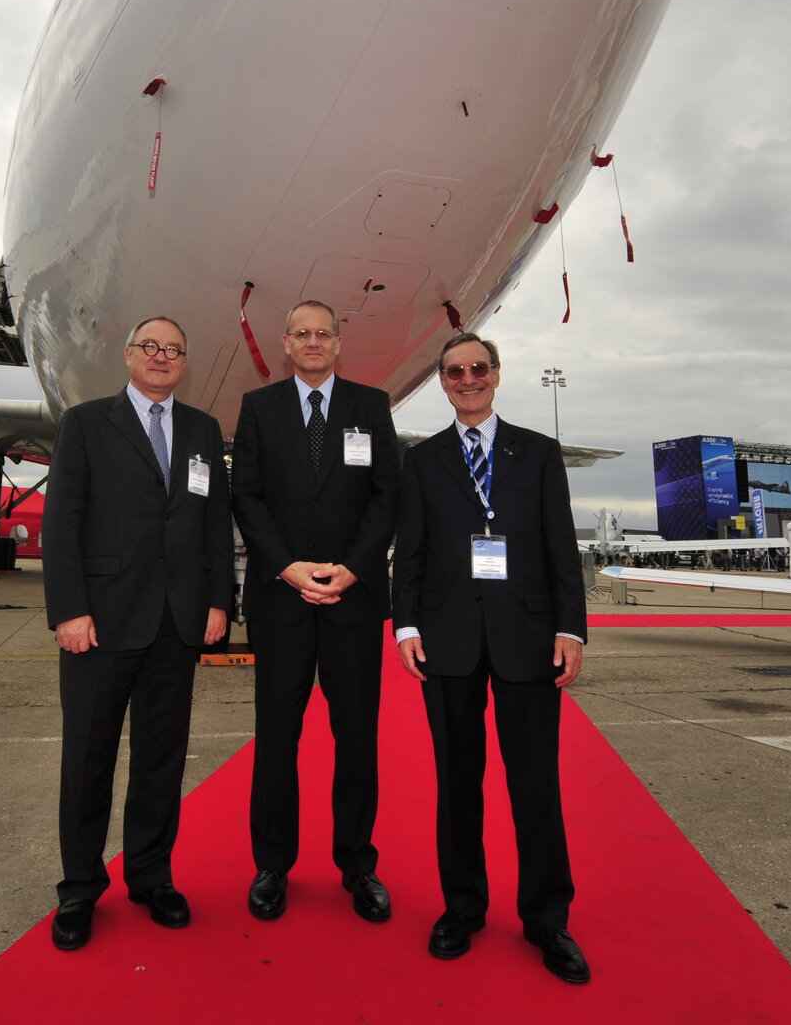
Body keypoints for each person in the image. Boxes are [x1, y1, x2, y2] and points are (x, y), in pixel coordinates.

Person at [393, 332, 590, 985]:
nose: (468, 379)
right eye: (455, 372)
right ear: (443, 383)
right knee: (458, 785)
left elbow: (562, 547)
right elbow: (411, 553)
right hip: (446, 642)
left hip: (528, 639)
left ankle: (546, 918)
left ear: (497, 376)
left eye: (479, 368)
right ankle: (463, 909)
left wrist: (571, 629)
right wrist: (405, 626)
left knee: (536, 785)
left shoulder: (536, 453)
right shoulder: (422, 463)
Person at [44, 316, 233, 951]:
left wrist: (217, 602)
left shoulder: (204, 430)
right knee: (88, 759)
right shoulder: (87, 424)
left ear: (183, 362)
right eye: (150, 347)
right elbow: (62, 524)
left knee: (161, 758)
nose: (161, 357)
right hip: (99, 622)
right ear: (127, 355)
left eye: (173, 350)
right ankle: (79, 887)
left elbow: (214, 525)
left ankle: (151, 876)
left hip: (176, 623)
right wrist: (69, 610)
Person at [231, 299, 400, 923]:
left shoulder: (370, 406)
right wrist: (287, 566)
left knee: (356, 740)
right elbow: (245, 496)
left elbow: (387, 495)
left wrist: (353, 568)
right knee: (278, 739)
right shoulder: (260, 408)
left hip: (352, 603)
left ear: (338, 343)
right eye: (300, 333)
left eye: (322, 333)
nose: (311, 342)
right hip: (283, 600)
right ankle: (272, 865)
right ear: (285, 343)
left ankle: (358, 865)